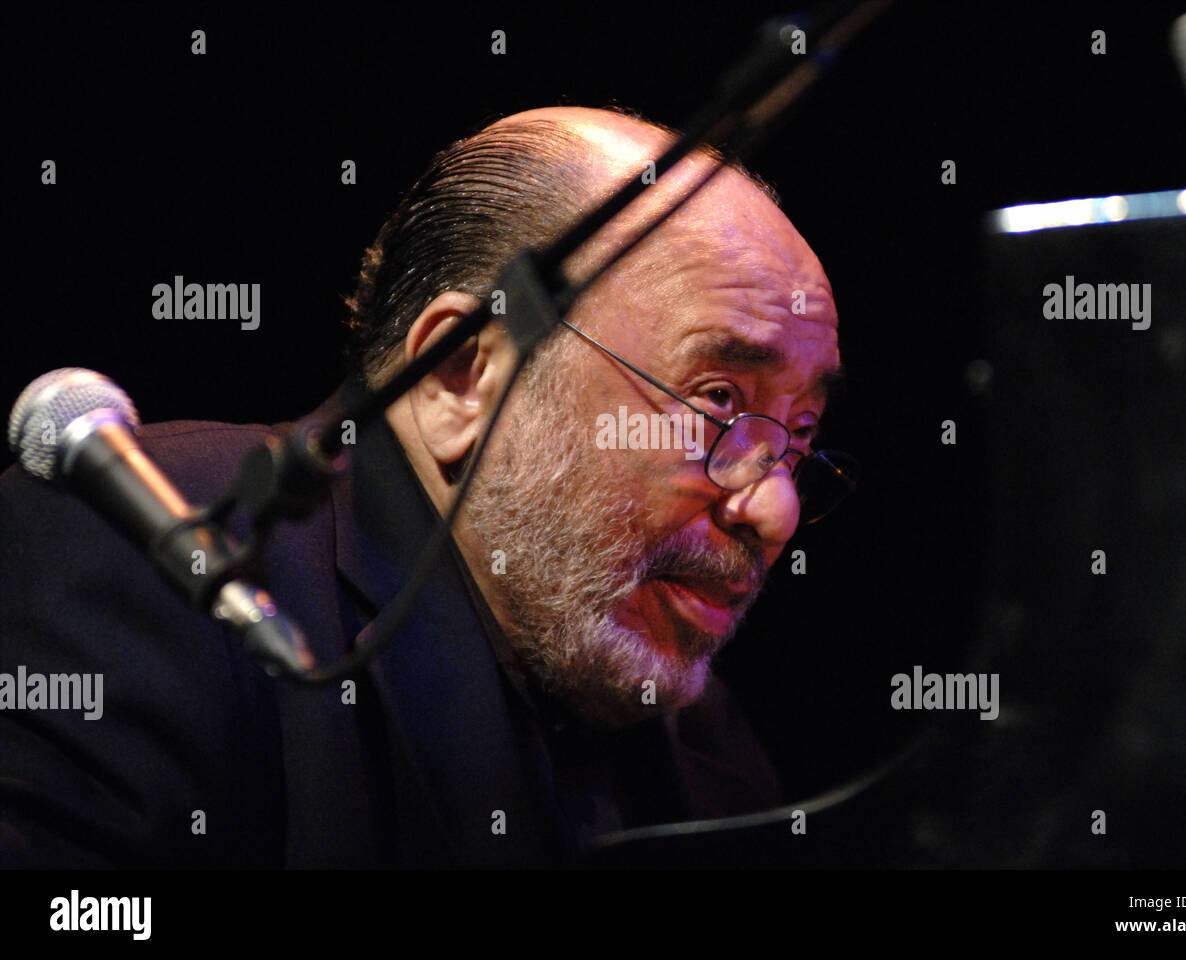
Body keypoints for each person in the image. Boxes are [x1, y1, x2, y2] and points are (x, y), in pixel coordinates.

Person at [0, 106, 850, 867]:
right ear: (462, 374)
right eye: (716, 403)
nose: (773, 510)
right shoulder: (150, 556)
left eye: (799, 437)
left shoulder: (704, 740)